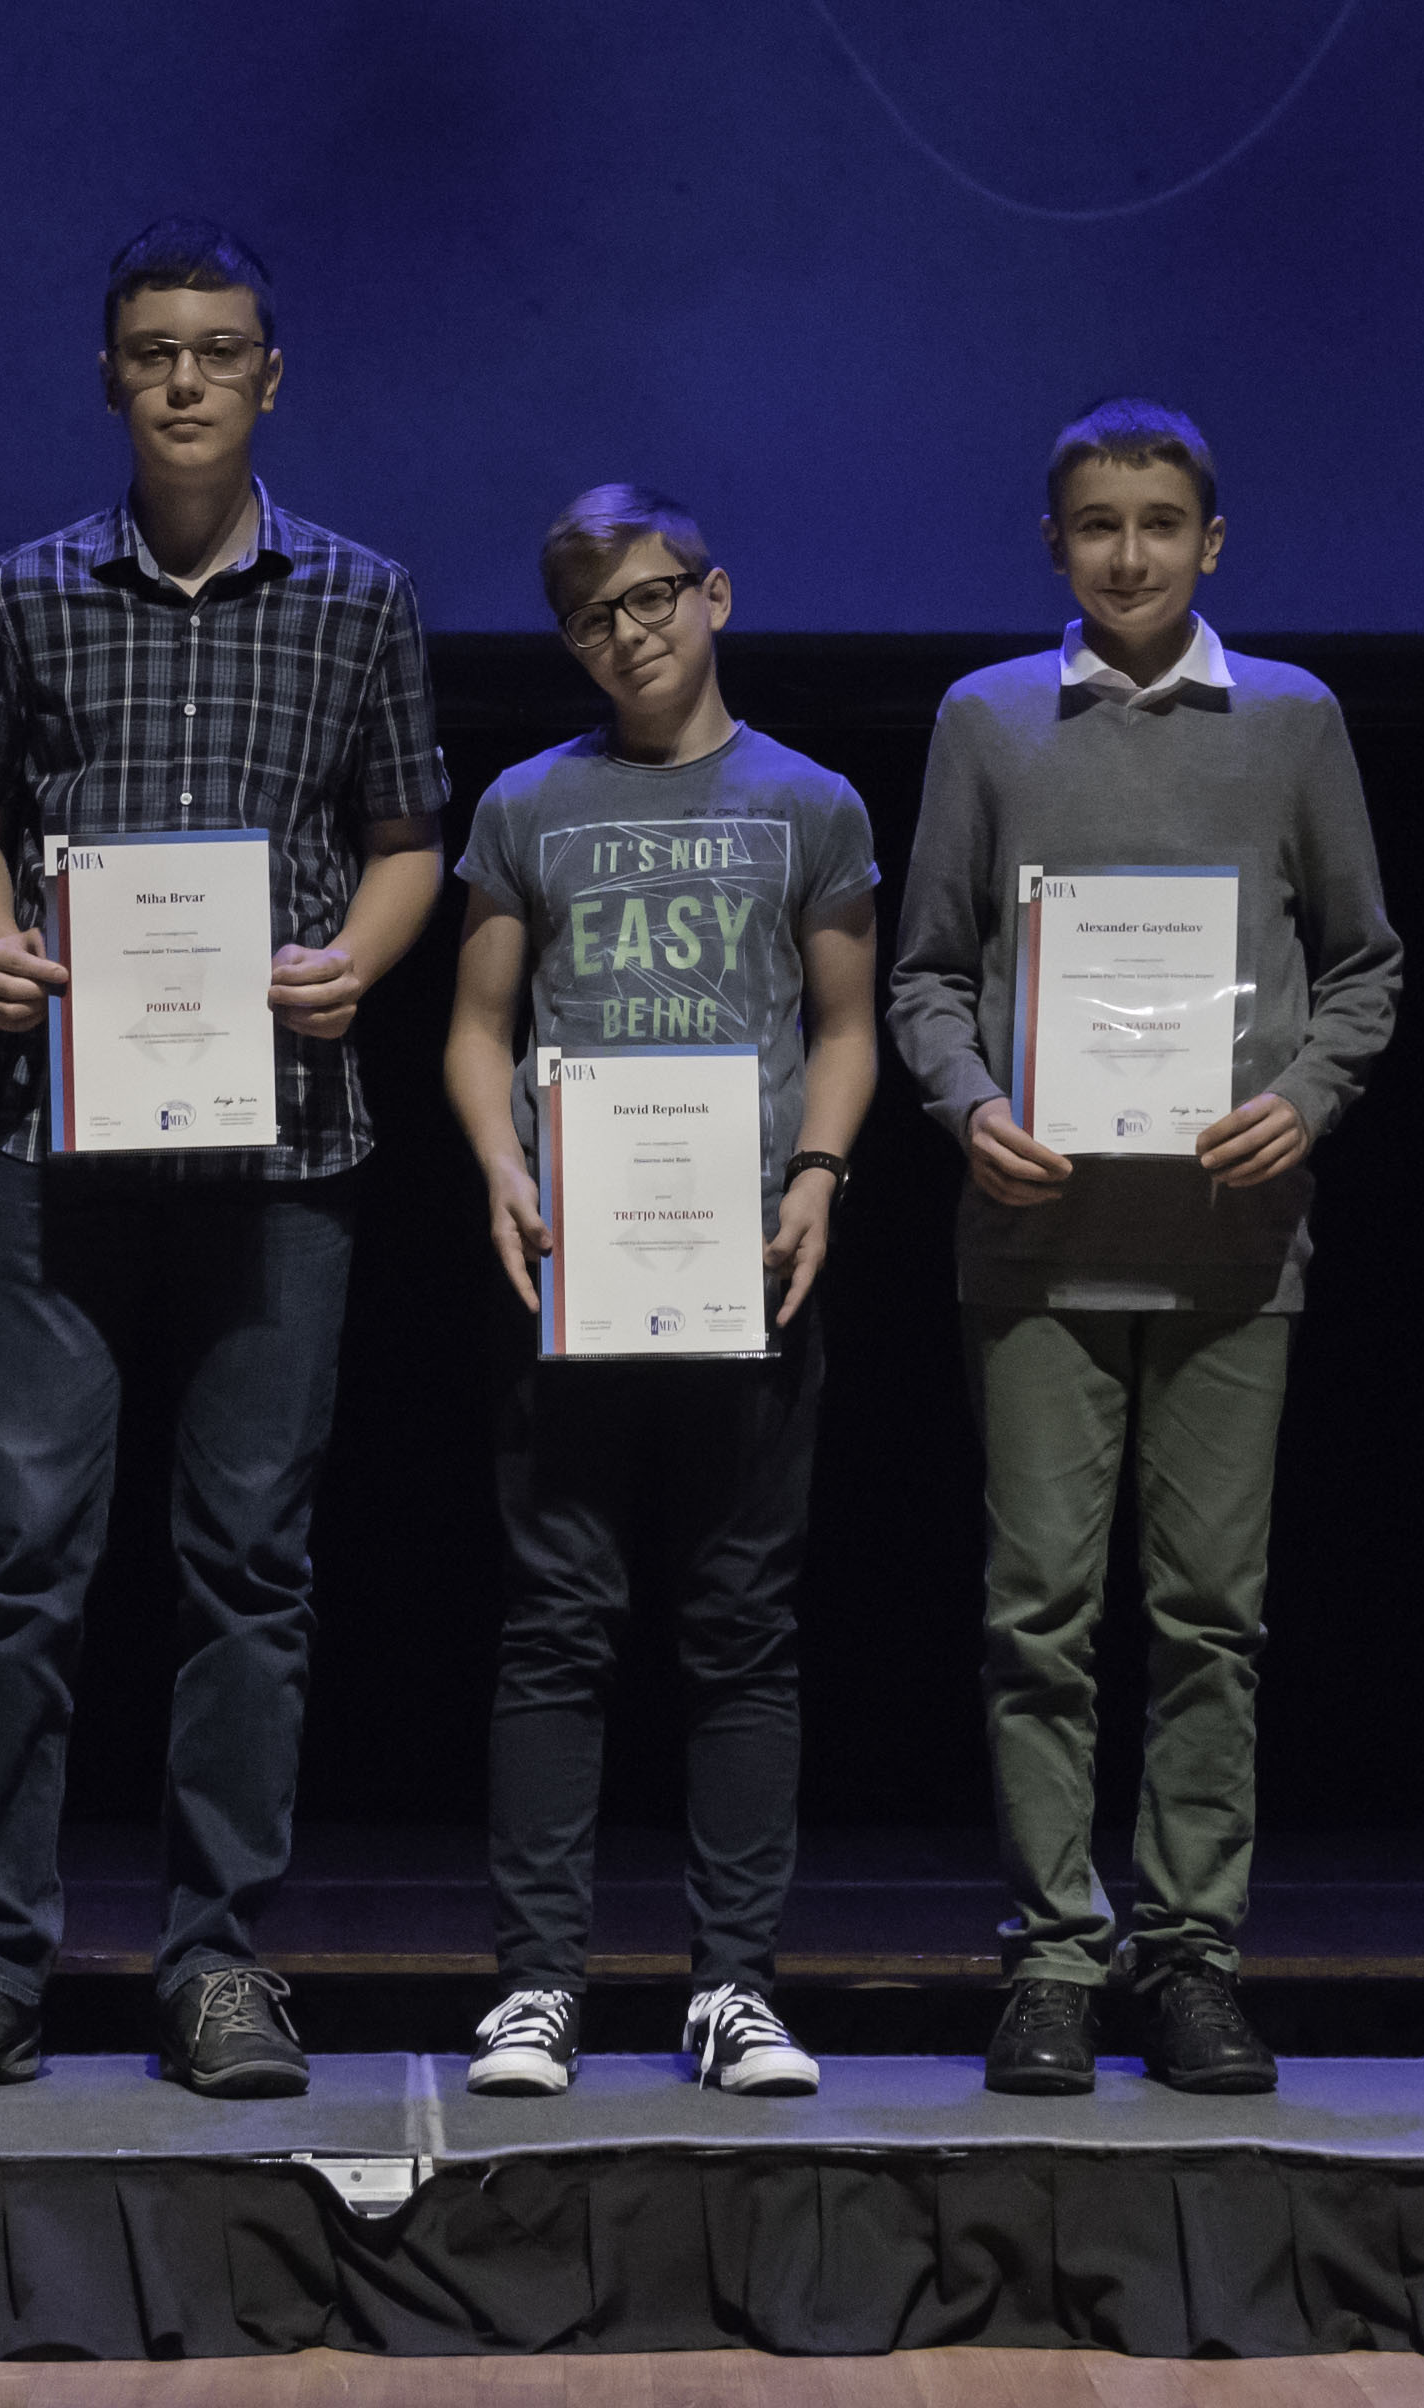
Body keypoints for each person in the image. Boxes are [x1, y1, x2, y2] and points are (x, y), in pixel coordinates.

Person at [0, 221, 450, 2104]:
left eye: (217, 350)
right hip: (50, 1142)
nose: (185, 379)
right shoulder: (28, 594)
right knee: (20, 1557)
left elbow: (409, 834)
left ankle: (216, 1964)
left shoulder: (361, 597)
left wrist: (359, 960)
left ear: (271, 377)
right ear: (109, 377)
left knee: (250, 1568)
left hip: (284, 1151)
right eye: (152, 352)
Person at [883, 399, 1404, 2097]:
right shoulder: (987, 720)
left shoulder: (1293, 721)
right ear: (1055, 545)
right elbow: (926, 973)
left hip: (1232, 1248)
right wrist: (971, 1105)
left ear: (1212, 543)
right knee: (1037, 1617)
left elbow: (1365, 965)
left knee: (1209, 1623)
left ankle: (1190, 1958)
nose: (1129, 554)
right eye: (1098, 525)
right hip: (1035, 1246)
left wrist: (1304, 1103)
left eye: (1161, 523)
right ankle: (1051, 1958)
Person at [440, 485, 881, 2102]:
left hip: (747, 1271)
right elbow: (478, 1026)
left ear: (715, 596)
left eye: (649, 599)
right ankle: (537, 1987)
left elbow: (845, 1024)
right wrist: (502, 1163)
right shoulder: (528, 805)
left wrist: (818, 1172)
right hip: (572, 1274)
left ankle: (735, 1988)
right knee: (558, 1627)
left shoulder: (811, 802)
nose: (625, 636)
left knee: (742, 1632)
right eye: (590, 618)